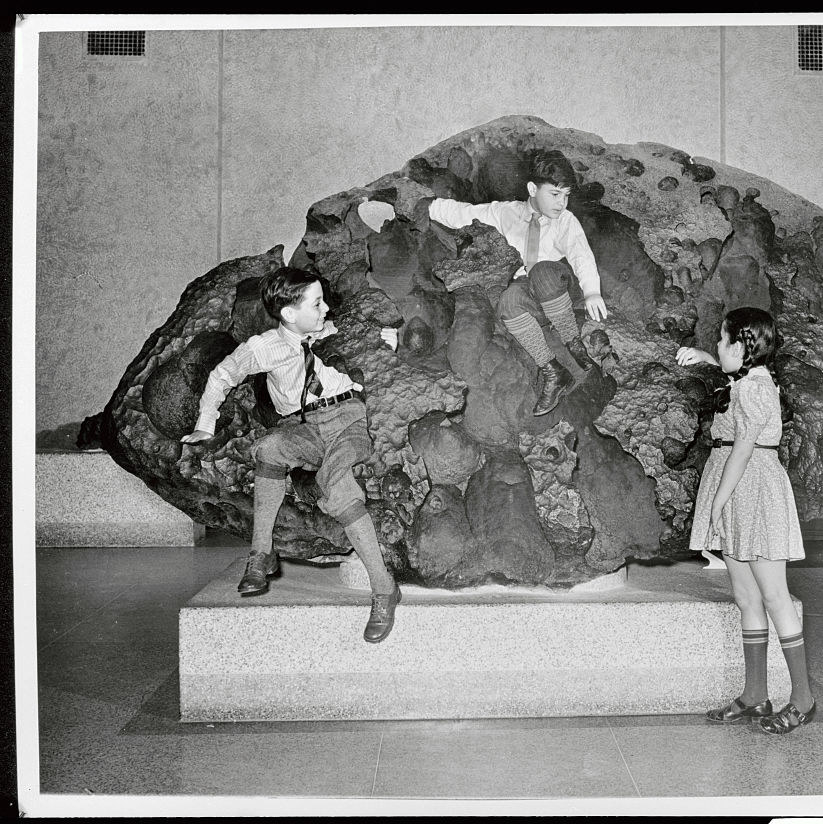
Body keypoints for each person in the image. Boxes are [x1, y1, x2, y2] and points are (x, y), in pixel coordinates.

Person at [181, 266, 402, 644]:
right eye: (316, 303)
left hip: (349, 421)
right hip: (305, 427)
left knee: (334, 483)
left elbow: (387, 345)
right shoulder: (266, 347)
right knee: (269, 447)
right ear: (288, 313)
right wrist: (205, 424)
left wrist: (386, 338)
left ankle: (383, 589)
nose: (326, 308)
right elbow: (222, 375)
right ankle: (260, 553)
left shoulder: (337, 330)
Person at [675, 307, 816, 734]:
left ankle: (803, 698)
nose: (718, 348)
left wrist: (717, 502)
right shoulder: (744, 378)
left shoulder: (756, 389)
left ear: (742, 346)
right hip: (737, 485)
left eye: (722, 341)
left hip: (751, 488)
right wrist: (705, 356)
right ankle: (755, 694)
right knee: (746, 597)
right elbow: (731, 369)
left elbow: (742, 449)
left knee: (775, 597)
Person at [418, 149, 607, 416]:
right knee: (508, 301)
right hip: (530, 294)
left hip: (558, 287)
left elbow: (581, 255)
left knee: (541, 272)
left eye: (566, 195)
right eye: (554, 194)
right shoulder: (505, 213)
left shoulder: (565, 221)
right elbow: (464, 213)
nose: (561, 202)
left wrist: (592, 291)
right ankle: (553, 371)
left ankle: (573, 342)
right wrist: (429, 206)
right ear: (532, 188)